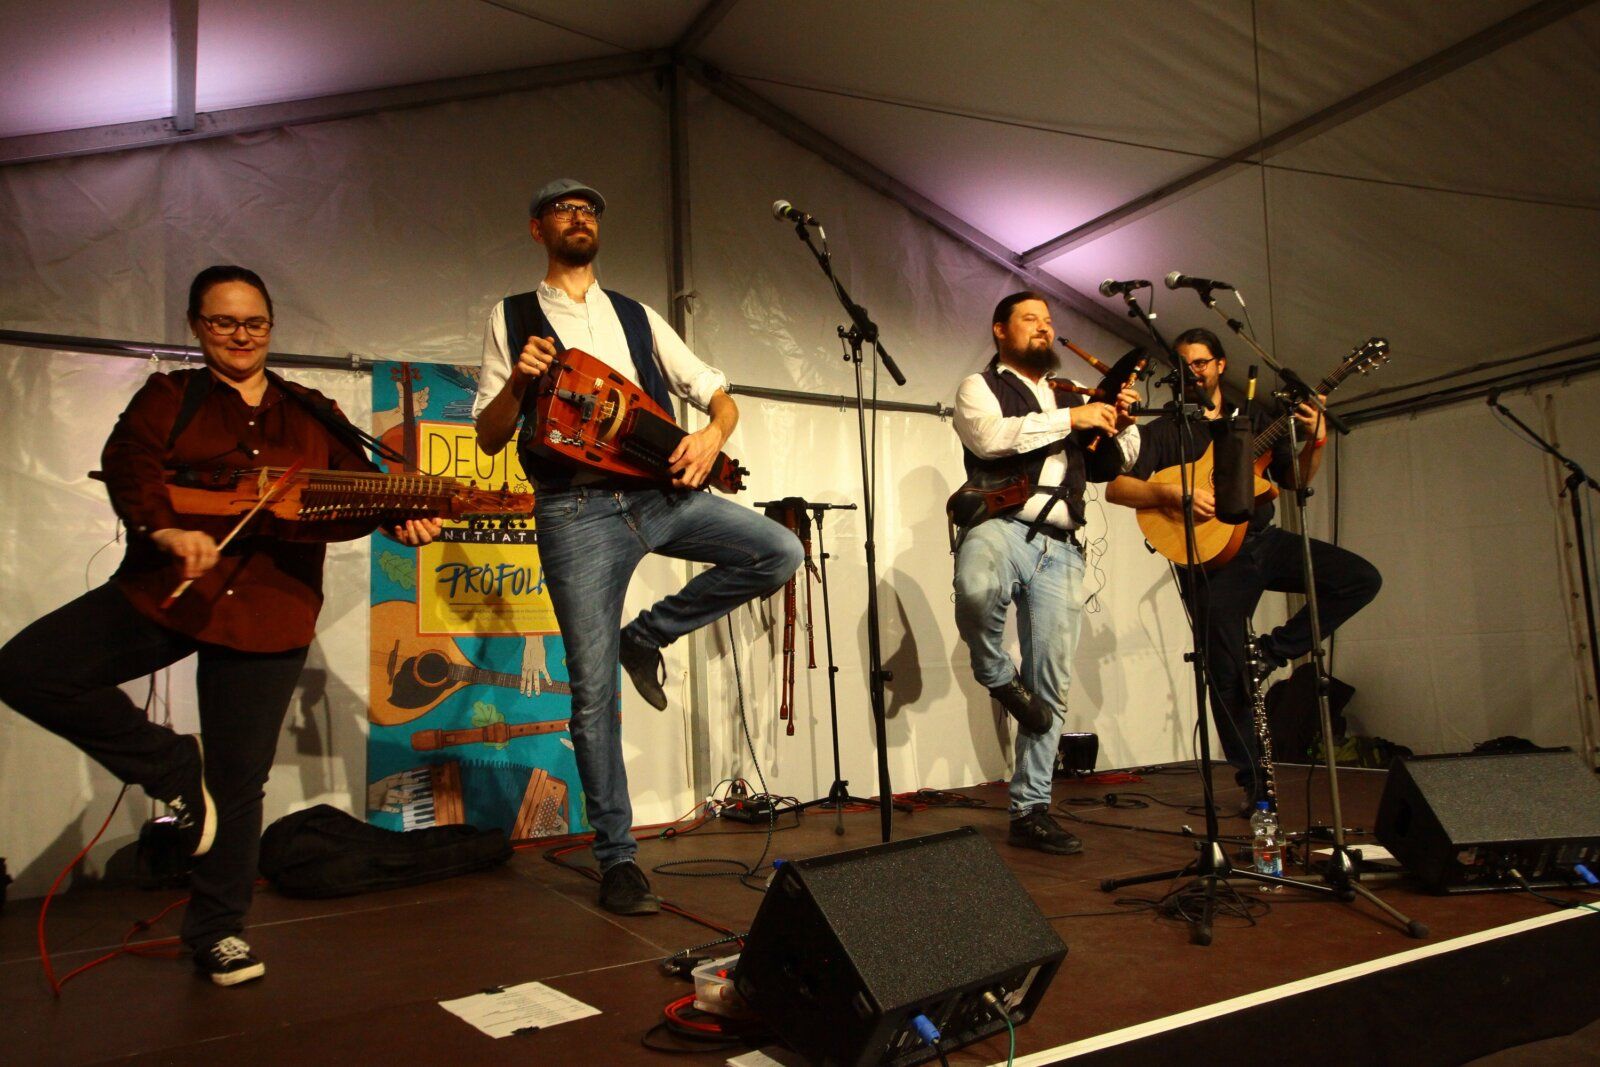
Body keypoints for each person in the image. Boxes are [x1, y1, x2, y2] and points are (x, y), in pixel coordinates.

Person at [0, 266, 441, 985]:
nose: (241, 336)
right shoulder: (169, 398)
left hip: (270, 609)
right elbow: (129, 464)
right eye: (223, 322)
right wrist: (166, 528)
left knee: (240, 781)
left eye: (254, 322)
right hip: (171, 589)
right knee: (27, 667)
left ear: (271, 326)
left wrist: (402, 515)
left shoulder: (312, 408)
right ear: (196, 326)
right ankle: (172, 766)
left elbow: (358, 493)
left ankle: (216, 932)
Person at [472, 179, 802, 915]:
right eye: (563, 208)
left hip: (663, 495)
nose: (580, 216)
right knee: (592, 696)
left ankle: (645, 636)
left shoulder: (636, 314)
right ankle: (618, 856)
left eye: (590, 207)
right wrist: (518, 387)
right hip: (574, 509)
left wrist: (712, 433)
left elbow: (716, 392)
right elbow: (490, 435)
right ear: (537, 229)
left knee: (778, 553)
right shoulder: (512, 317)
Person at [1104, 327, 1381, 807]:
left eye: (1201, 362)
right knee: (1225, 674)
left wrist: (1317, 442)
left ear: (1220, 365)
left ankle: (1272, 653)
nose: (1194, 372)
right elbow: (1117, 487)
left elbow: (1292, 481)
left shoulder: (1254, 418)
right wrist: (1173, 492)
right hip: (1211, 562)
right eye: (1185, 364)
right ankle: (1257, 786)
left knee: (1359, 579)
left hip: (1262, 540)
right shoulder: (1164, 431)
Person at [952, 291, 1140, 855]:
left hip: (1062, 543)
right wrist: (1073, 417)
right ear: (1000, 330)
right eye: (1030, 320)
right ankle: (993, 673)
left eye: (1048, 321)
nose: (1044, 328)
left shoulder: (1069, 393)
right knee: (976, 589)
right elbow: (988, 439)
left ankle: (1031, 809)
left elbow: (1114, 466)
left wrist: (1119, 422)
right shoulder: (979, 386)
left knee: (1051, 682)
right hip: (1001, 522)